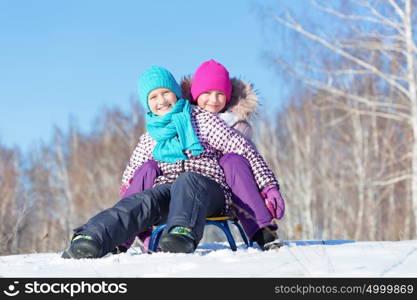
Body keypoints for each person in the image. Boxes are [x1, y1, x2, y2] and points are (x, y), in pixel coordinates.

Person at [61, 65, 281, 259]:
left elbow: (243, 149)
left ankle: (181, 234)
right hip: (171, 192)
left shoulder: (200, 119)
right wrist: (129, 193)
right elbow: (133, 172)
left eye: (165, 93)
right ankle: (92, 236)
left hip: (209, 190)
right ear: (147, 104)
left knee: (189, 180)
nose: (161, 101)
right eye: (153, 97)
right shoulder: (151, 135)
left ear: (176, 93)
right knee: (147, 199)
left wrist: (268, 186)